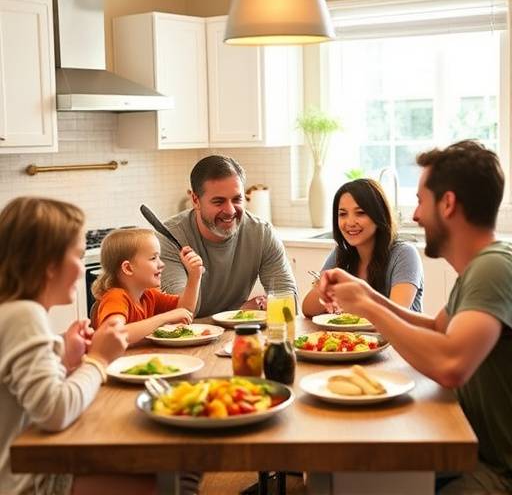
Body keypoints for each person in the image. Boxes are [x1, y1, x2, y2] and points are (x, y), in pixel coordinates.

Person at [318, 140, 512, 493]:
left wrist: (367, 307)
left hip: (495, 469)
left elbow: (450, 364)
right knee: (346, 474)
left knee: (359, 477)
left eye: (421, 200)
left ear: (448, 204)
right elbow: (439, 327)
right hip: (466, 443)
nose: (417, 215)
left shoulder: (494, 269)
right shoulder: (481, 267)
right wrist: (367, 295)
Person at [0, 196, 148, 495]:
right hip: (25, 480)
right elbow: (54, 412)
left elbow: (26, 397)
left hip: (30, 465)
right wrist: (98, 359)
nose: (83, 268)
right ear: (48, 264)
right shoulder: (23, 315)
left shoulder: (14, 310)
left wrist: (66, 362)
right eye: (79, 256)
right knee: (164, 480)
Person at [159, 154, 297, 317]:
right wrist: (239, 313)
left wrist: (263, 308)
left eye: (237, 199)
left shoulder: (261, 233)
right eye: (219, 202)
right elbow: (180, 314)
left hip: (236, 334)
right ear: (195, 200)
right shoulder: (169, 238)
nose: (230, 210)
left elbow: (288, 304)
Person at [302, 178, 423, 317]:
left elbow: (396, 316)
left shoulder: (404, 254)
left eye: (360, 213)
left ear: (379, 215)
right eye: (342, 214)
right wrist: (325, 287)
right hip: (354, 338)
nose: (350, 222)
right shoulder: (341, 253)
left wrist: (358, 294)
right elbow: (308, 310)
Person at [92, 228, 203, 344]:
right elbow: (113, 335)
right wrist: (164, 318)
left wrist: (195, 276)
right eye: (153, 258)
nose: (161, 264)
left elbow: (184, 311)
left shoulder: (148, 295)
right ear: (128, 268)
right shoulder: (115, 297)